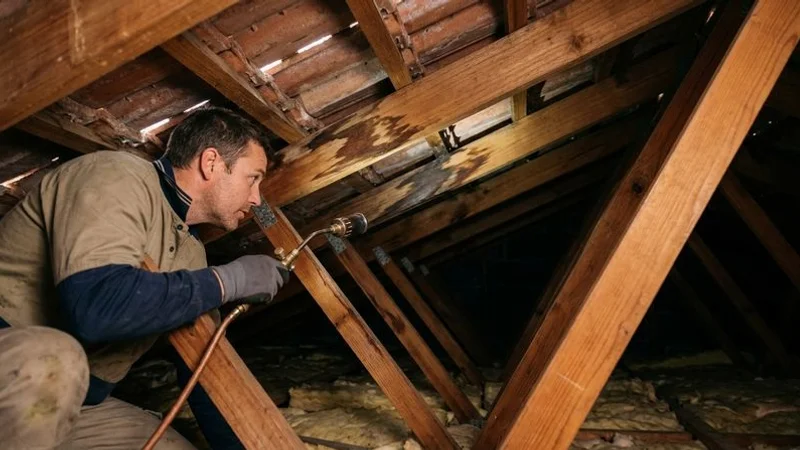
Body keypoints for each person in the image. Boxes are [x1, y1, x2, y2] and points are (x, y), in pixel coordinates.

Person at [0, 107, 289, 449]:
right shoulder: (116, 176)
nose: (256, 199)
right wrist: (230, 281)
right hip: (20, 376)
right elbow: (97, 308)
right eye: (253, 178)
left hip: (80, 406)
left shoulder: (191, 254)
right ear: (211, 163)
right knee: (54, 359)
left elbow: (204, 374)